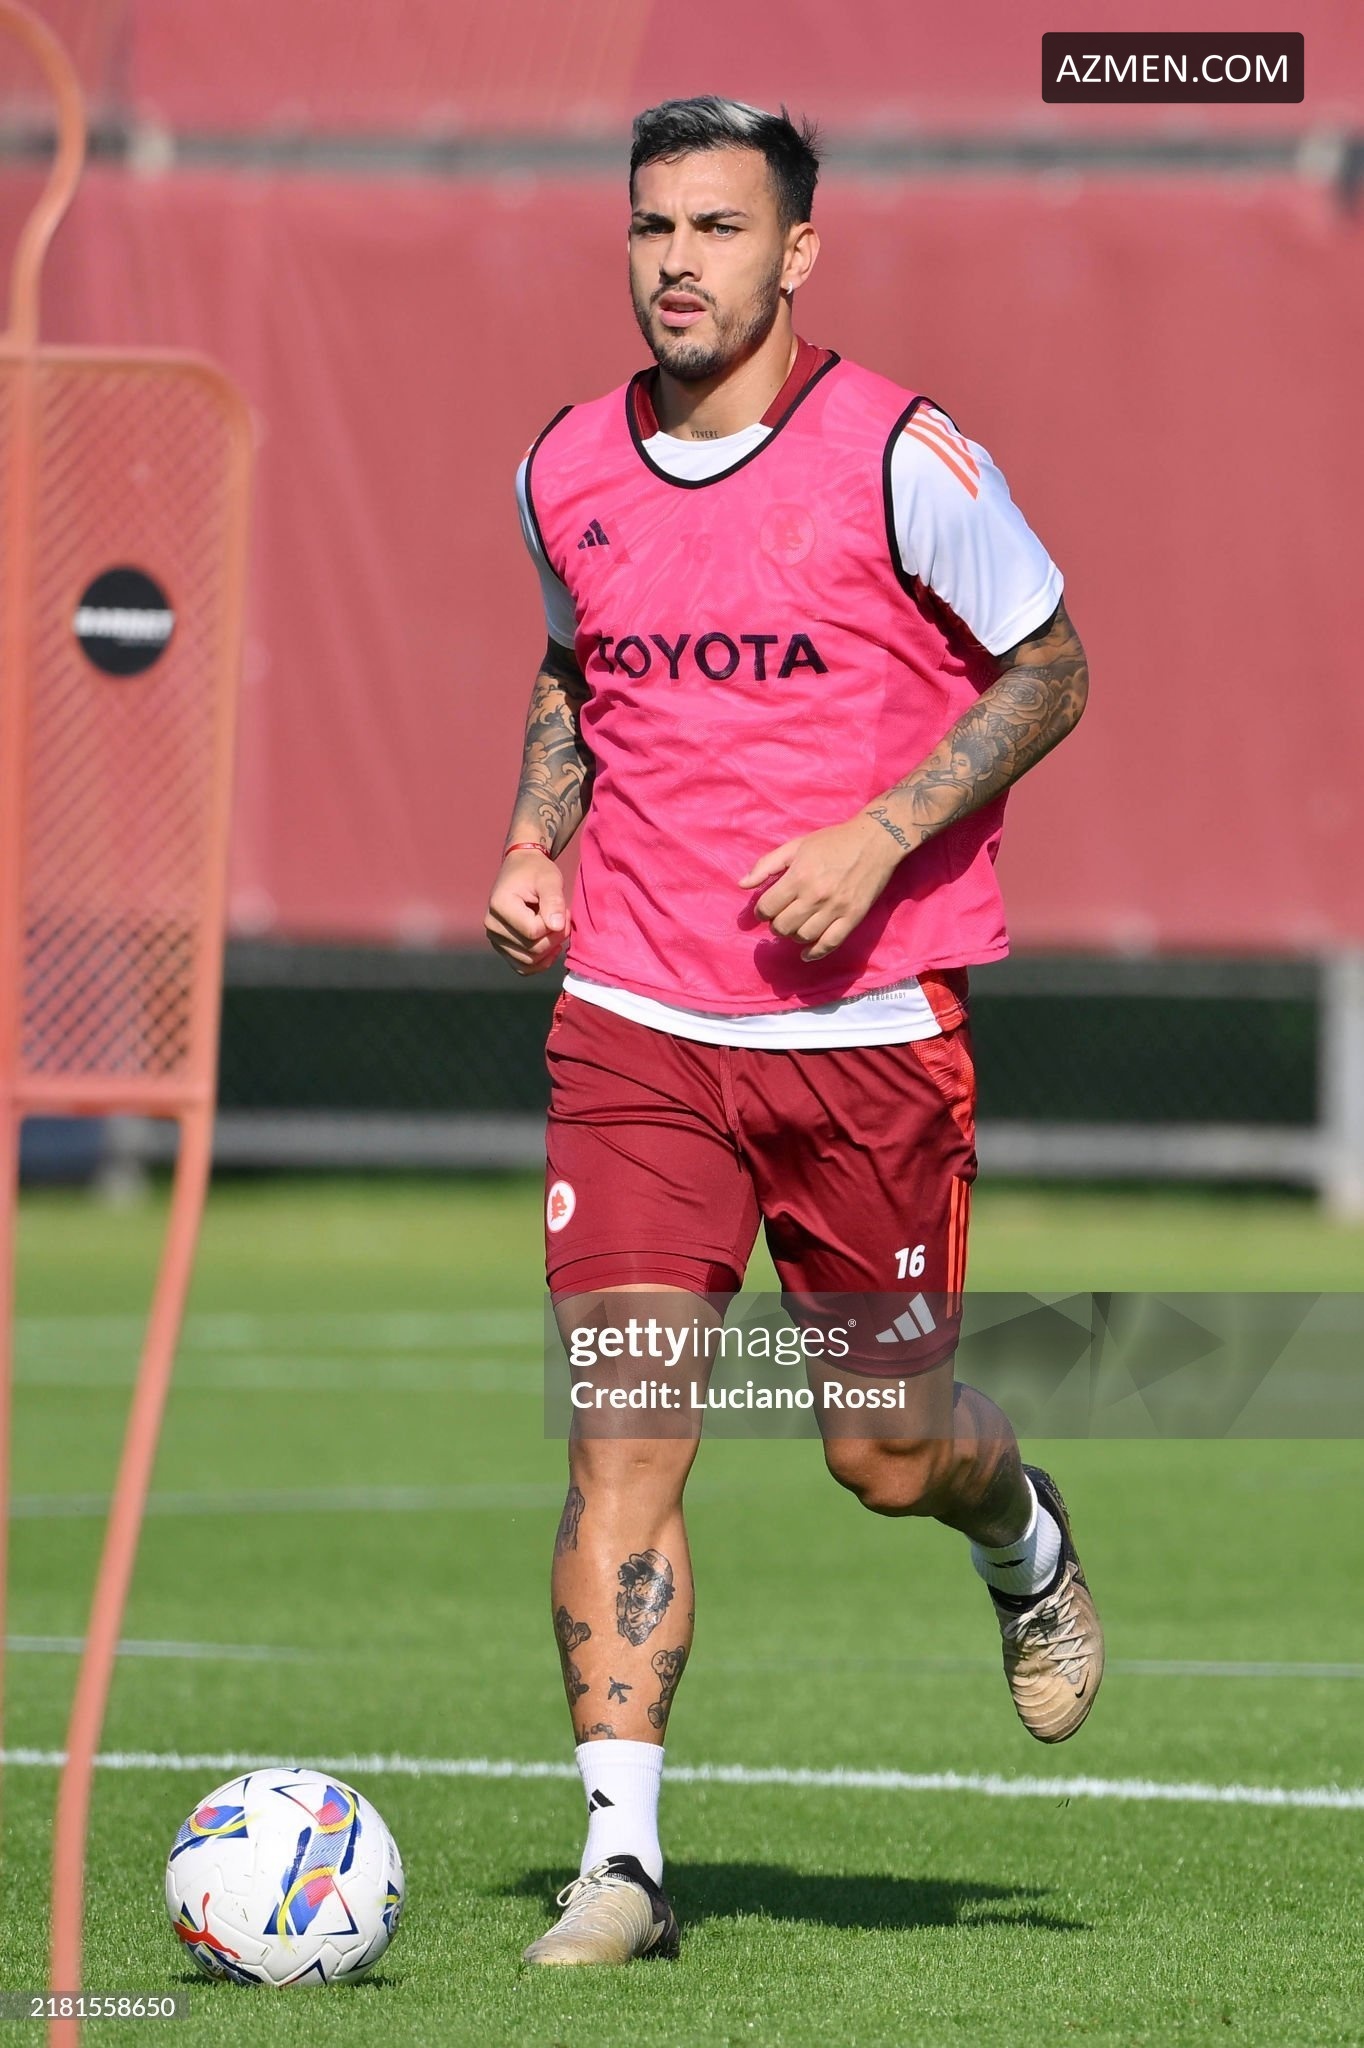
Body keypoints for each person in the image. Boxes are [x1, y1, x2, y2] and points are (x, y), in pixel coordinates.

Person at [485, 94, 1102, 1968]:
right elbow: (577, 663)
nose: (677, 261)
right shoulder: (562, 464)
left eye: (720, 228)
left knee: (884, 1454)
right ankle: (622, 1866)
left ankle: (1023, 1538)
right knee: (622, 1439)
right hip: (635, 1023)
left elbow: (1054, 667)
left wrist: (883, 831)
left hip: (866, 1033)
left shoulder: (902, 455)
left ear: (797, 252)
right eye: (653, 225)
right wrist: (534, 841)